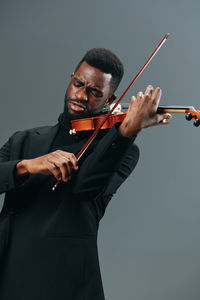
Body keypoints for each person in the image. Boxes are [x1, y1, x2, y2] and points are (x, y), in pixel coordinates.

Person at [0, 48, 171, 300]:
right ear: (71, 79)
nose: (81, 95)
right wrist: (28, 165)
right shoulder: (23, 140)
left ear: (110, 99)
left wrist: (125, 133)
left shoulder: (120, 150)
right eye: (78, 84)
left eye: (94, 92)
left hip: (61, 281)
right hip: (7, 270)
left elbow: (85, 188)